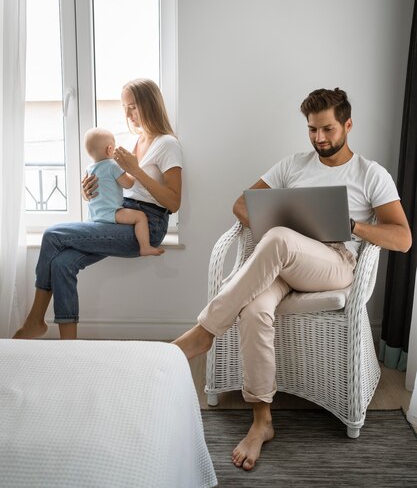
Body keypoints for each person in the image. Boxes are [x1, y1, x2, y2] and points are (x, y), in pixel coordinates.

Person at [173, 87, 412, 472]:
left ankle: (205, 331)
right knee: (254, 310)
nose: (320, 138)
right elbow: (239, 205)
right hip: (283, 261)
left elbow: (402, 238)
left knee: (279, 239)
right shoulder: (292, 165)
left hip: (335, 262)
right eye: (312, 129)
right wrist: (271, 223)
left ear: (348, 125)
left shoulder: (371, 174)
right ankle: (261, 421)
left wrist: (351, 226)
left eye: (328, 129)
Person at [14, 78, 182, 341]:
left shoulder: (168, 144)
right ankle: (68, 345)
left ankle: (35, 320)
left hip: (147, 224)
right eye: (125, 107)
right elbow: (125, 186)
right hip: (121, 213)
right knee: (61, 263)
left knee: (51, 235)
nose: (128, 114)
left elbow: (173, 202)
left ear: (149, 105)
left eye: (133, 107)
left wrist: (135, 169)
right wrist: (89, 191)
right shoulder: (138, 141)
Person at [84, 126, 164, 257]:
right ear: (110, 149)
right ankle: (145, 247)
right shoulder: (112, 165)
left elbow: (88, 192)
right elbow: (128, 184)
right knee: (140, 217)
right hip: (111, 213)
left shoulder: (89, 168)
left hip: (93, 215)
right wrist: (131, 168)